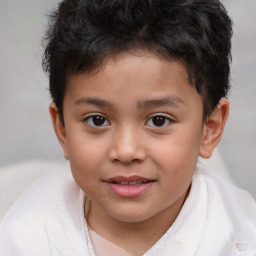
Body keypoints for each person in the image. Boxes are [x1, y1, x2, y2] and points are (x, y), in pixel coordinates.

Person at [0, 0, 255, 255]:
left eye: (158, 120)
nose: (126, 151)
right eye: (97, 120)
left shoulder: (239, 239)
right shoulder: (27, 236)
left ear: (209, 129)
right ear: (63, 130)